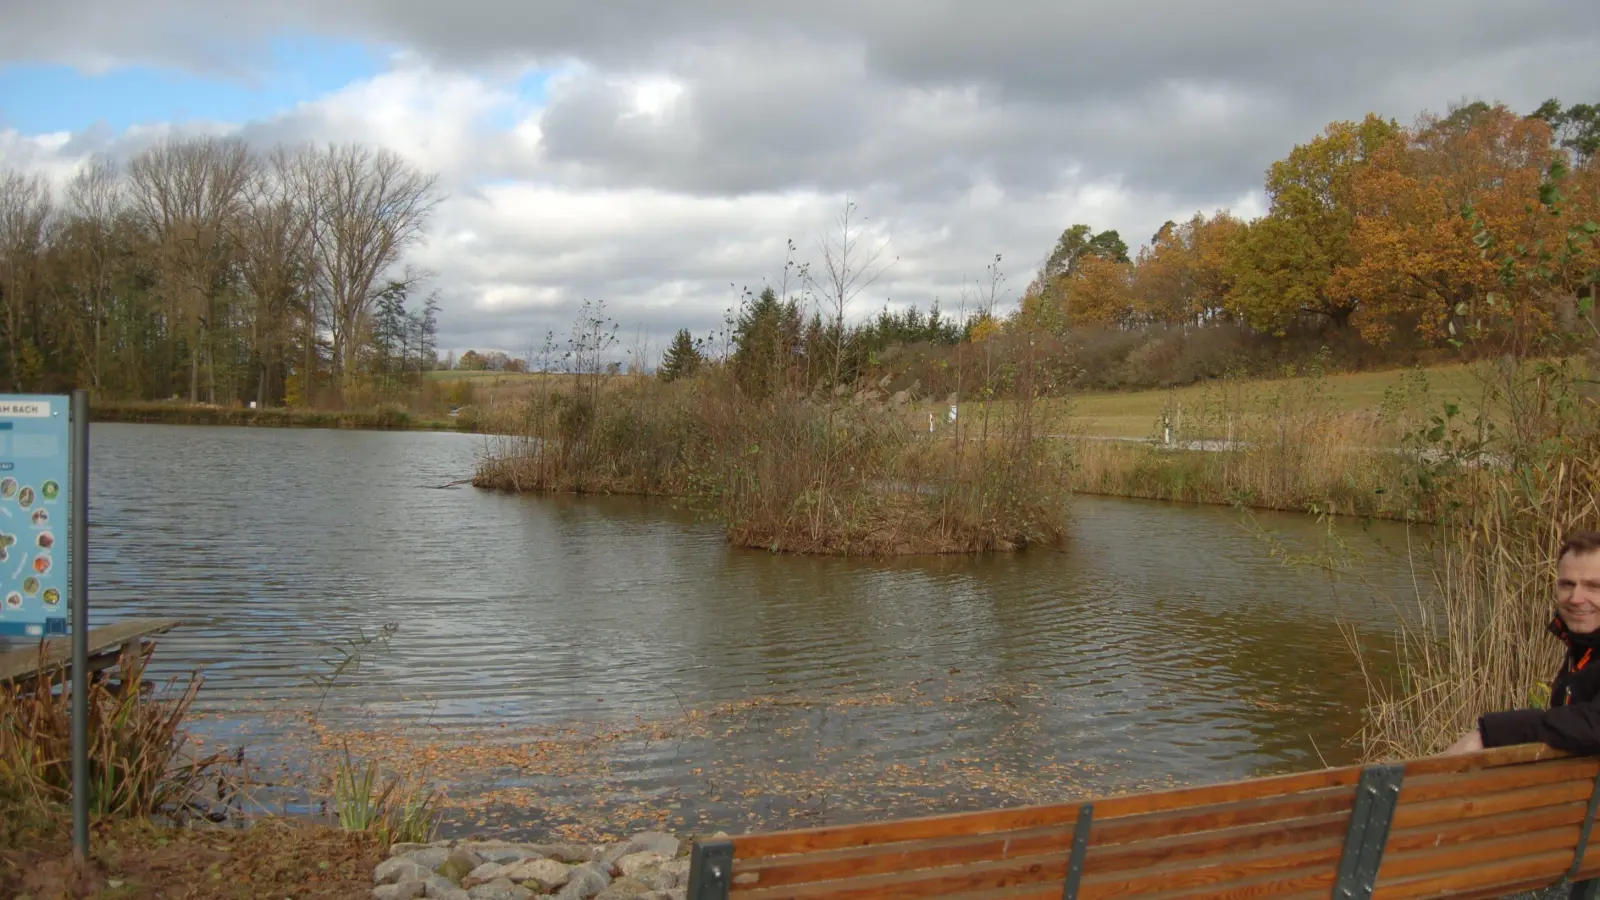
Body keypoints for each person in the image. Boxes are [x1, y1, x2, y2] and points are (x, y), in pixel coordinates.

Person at [1443, 530, 1600, 756]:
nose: (1575, 598)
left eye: (1593, 586)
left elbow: (1593, 726)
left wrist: (1489, 733)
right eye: (1567, 584)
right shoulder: (1582, 647)